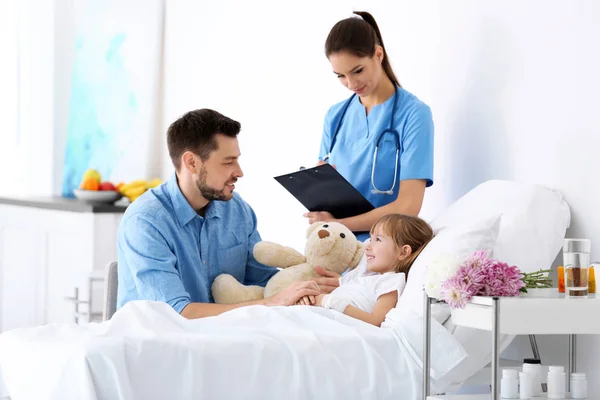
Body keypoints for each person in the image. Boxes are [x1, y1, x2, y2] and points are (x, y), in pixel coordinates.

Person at [117, 109, 320, 319]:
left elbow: (263, 282)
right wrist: (271, 303)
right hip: (157, 345)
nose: (239, 172)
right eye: (228, 162)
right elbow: (175, 314)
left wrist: (308, 284)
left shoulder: (238, 211)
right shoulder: (145, 221)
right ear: (192, 163)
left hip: (221, 341)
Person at [304, 11, 435, 247]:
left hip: (387, 248)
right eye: (341, 76)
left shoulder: (414, 114)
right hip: (335, 245)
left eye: (357, 71)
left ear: (378, 54)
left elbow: (408, 207)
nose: (351, 84)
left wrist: (340, 223)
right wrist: (319, 192)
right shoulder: (335, 116)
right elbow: (326, 191)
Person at [300, 214, 433, 327]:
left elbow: (375, 322)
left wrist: (329, 301)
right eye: (371, 239)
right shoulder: (364, 276)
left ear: (403, 252)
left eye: (378, 240)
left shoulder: (391, 281)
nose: (367, 246)